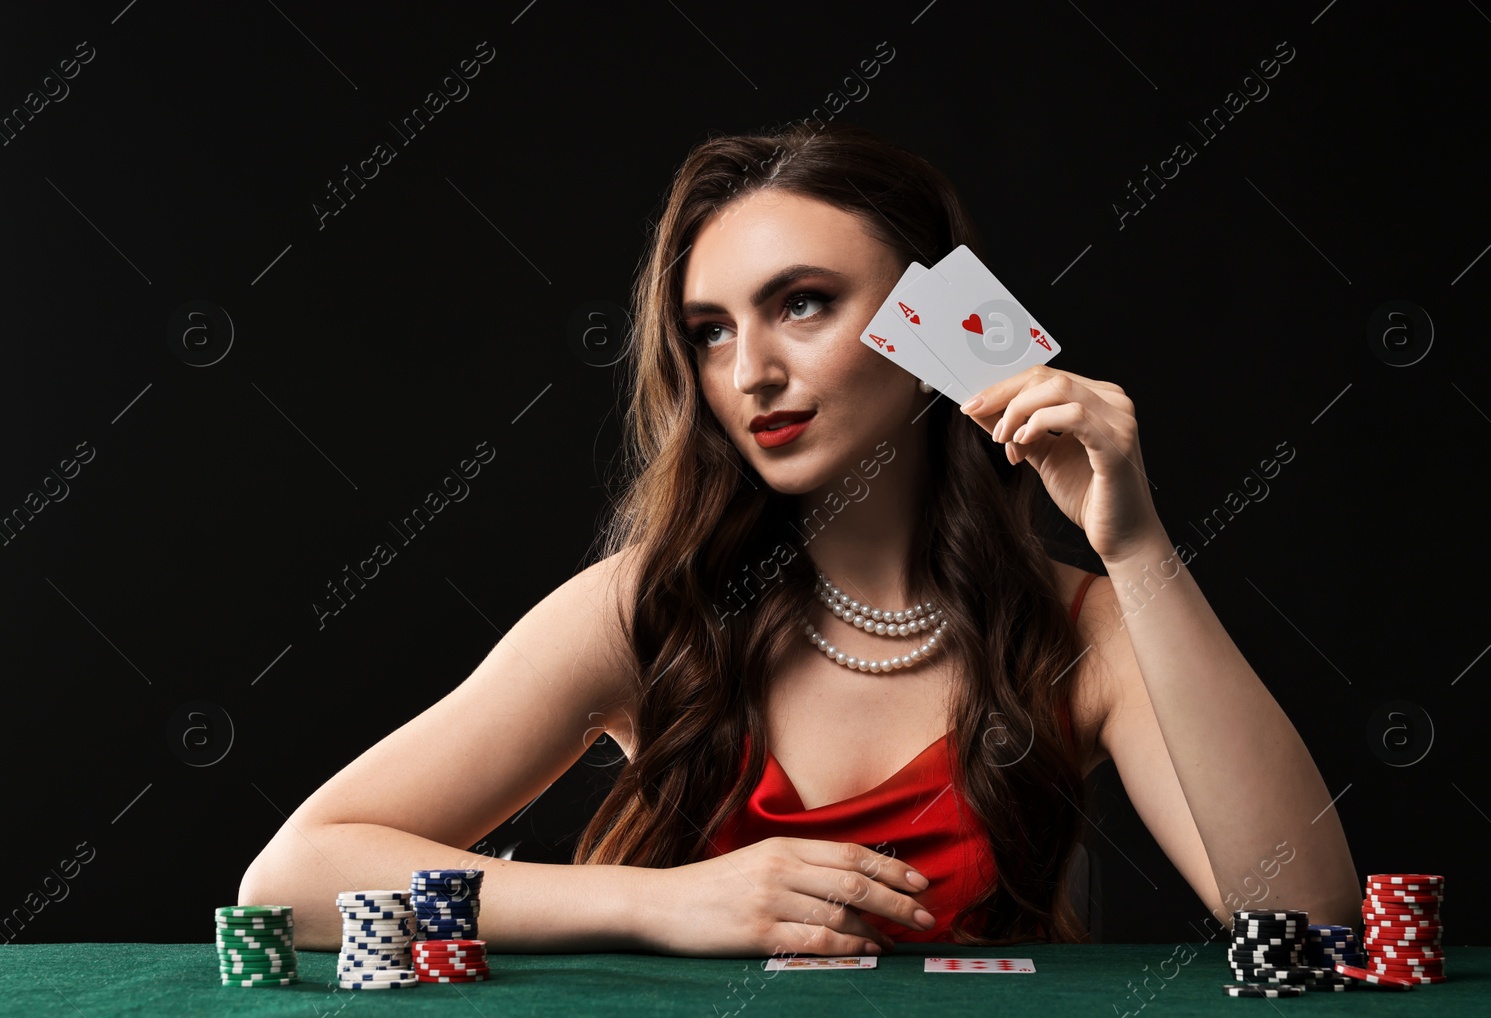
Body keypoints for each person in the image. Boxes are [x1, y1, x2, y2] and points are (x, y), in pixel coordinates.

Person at [240, 119, 1360, 957]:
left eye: (805, 302)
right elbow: (288, 881)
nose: (749, 372)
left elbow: (1304, 918)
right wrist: (660, 900)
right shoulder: (646, 608)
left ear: (935, 322)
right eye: (709, 330)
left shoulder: (1085, 623)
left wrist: (1138, 545)